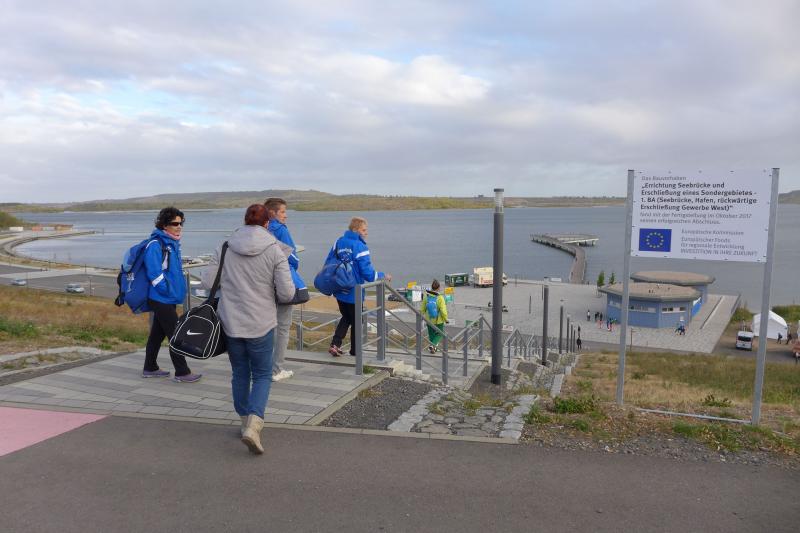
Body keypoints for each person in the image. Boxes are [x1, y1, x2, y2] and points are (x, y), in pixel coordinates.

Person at [202, 204, 294, 454]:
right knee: (262, 374)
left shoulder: (225, 246)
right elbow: (287, 293)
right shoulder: (275, 250)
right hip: (262, 322)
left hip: (231, 322)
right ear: (267, 224)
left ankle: (244, 421)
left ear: (245, 221)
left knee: (240, 373)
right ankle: (254, 424)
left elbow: (208, 282)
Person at [142, 207, 202, 383]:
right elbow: (154, 273)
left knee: (157, 335)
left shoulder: (172, 243)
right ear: (164, 225)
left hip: (168, 298)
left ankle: (150, 367)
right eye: (175, 224)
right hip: (161, 298)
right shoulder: (156, 244)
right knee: (176, 335)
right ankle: (182, 372)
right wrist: (167, 290)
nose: (179, 226)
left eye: (181, 223)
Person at [327, 217, 391, 357]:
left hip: (339, 288)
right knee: (356, 320)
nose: (366, 233)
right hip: (353, 290)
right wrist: (382, 275)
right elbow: (367, 273)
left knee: (346, 316)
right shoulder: (360, 246)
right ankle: (355, 351)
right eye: (364, 230)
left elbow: (329, 262)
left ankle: (335, 344)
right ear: (355, 230)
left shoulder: (339, 242)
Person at [265, 197, 300, 382]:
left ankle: (263, 366)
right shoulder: (280, 229)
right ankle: (276, 369)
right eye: (283, 212)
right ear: (273, 213)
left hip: (265, 282)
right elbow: (292, 256)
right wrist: (294, 267)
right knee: (283, 326)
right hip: (281, 281)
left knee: (267, 326)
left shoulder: (262, 229)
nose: (285, 216)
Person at [423, 280, 448, 353]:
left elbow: (422, 309)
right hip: (438, 320)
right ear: (439, 288)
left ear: (431, 287)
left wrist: (422, 317)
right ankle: (432, 346)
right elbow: (443, 311)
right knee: (440, 333)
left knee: (431, 335)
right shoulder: (440, 298)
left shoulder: (426, 297)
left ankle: (433, 348)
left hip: (429, 319)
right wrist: (446, 319)